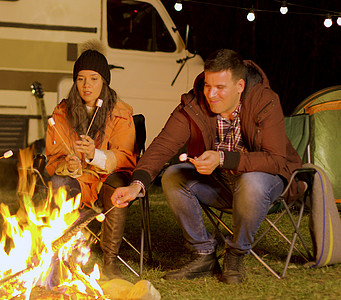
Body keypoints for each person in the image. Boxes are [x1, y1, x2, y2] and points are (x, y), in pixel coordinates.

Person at [111, 49, 304, 284]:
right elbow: (163, 145)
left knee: (252, 181)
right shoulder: (195, 104)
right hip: (222, 184)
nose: (211, 94)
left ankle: (235, 254)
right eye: (207, 85)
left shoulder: (264, 100)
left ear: (240, 86)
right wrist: (137, 184)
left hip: (266, 183)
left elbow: (276, 159)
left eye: (220, 87)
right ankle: (203, 253)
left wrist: (222, 159)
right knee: (173, 175)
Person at [45, 42, 137, 279]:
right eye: (81, 79)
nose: (87, 86)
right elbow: (53, 158)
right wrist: (69, 166)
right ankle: (62, 256)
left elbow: (126, 157)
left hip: (107, 181)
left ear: (104, 81)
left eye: (94, 79)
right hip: (78, 181)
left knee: (118, 183)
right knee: (58, 182)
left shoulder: (120, 112)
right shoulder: (62, 113)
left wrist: (93, 155)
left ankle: (109, 260)